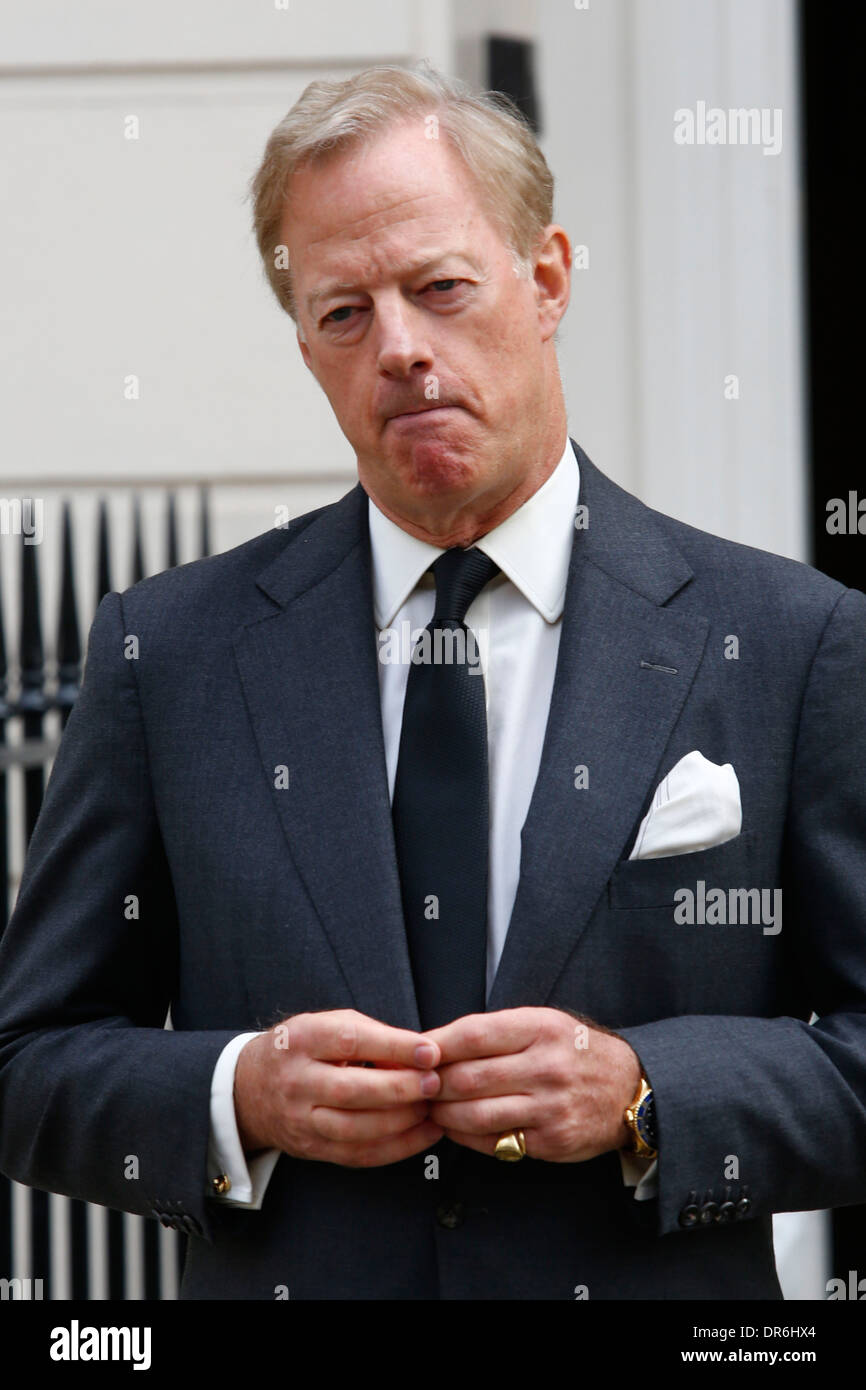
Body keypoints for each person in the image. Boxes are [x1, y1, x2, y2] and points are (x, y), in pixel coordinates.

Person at [0, 62, 864, 1301]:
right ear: (304, 345)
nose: (399, 347)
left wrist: (644, 1094)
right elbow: (30, 1060)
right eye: (343, 313)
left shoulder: (791, 639)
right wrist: (235, 1092)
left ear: (546, 278)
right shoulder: (169, 651)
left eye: (440, 287)